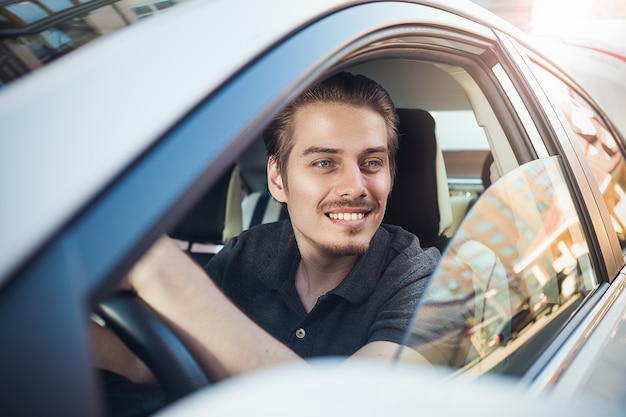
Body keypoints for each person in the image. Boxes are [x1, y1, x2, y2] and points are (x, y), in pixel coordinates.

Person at [92, 71, 440, 383]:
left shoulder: (429, 285)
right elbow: (151, 361)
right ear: (277, 179)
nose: (355, 186)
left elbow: (347, 408)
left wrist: (159, 268)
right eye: (324, 162)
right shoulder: (247, 254)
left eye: (372, 163)